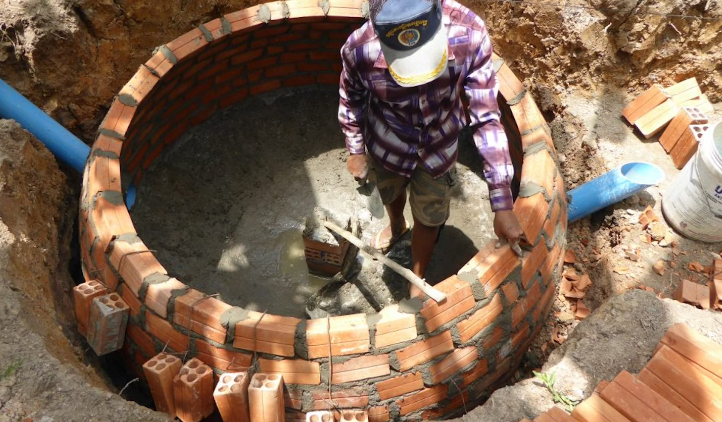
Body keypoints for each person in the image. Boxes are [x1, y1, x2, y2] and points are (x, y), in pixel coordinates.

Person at [337, 0, 525, 295]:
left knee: (430, 216)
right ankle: (397, 226)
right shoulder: (359, 49)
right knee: (391, 191)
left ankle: (417, 276)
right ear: (379, 32)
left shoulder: (469, 36)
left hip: (438, 149)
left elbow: (486, 118)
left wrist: (502, 202)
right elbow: (351, 99)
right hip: (388, 144)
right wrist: (355, 148)